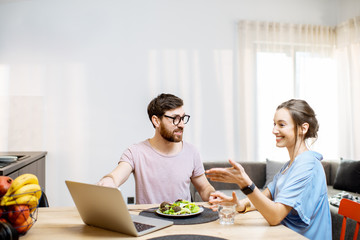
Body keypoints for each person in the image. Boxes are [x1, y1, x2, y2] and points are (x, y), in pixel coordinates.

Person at [206, 99, 332, 240]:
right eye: (274, 124)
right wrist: (239, 205)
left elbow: (275, 216)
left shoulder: (308, 164)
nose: (274, 130)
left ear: (303, 128)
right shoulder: (290, 165)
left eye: (281, 125)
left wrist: (245, 183)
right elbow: (265, 196)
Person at [97, 93, 215, 204]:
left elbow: (204, 188)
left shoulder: (192, 152)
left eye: (183, 118)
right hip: (149, 222)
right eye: (175, 119)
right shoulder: (135, 152)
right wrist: (109, 181)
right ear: (156, 121)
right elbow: (117, 175)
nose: (182, 124)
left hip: (183, 221)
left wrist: (212, 195)